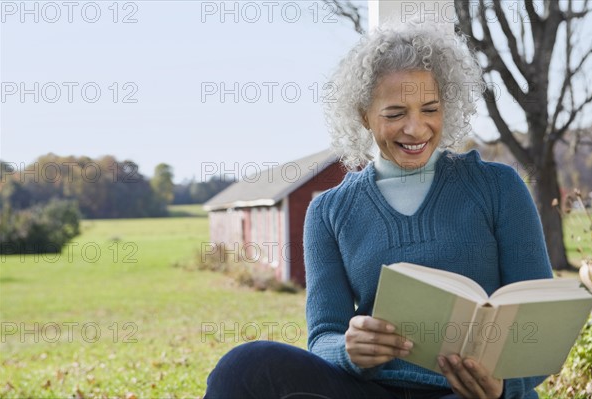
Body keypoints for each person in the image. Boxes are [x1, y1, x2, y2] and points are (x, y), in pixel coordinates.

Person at [204, 19, 553, 399]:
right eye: (395, 113)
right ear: (363, 114)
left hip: (473, 396)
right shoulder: (328, 211)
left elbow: (540, 335)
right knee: (246, 366)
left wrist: (504, 388)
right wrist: (348, 350)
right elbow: (323, 337)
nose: (416, 129)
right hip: (371, 390)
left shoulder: (499, 187)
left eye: (430, 109)